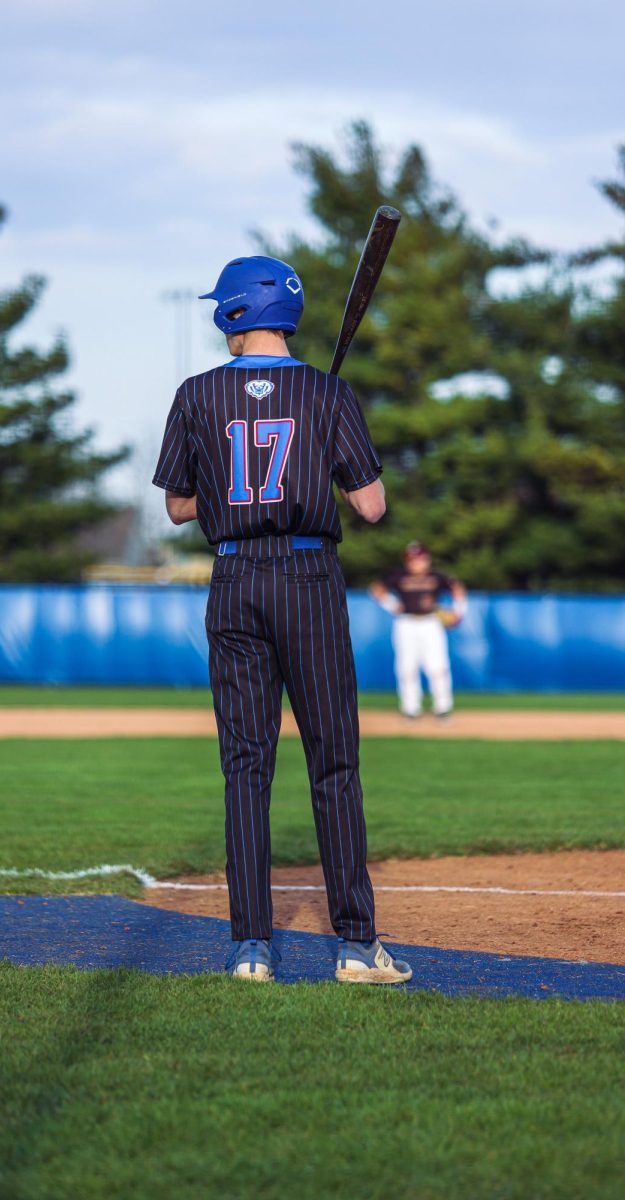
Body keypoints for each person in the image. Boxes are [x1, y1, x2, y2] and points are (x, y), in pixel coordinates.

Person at [152, 254, 412, 986]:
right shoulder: (327, 392)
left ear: (233, 313)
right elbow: (370, 506)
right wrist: (320, 460)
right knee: (332, 762)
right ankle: (357, 947)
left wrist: (235, 497)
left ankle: (249, 950)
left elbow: (175, 506)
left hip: (233, 577)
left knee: (245, 765)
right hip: (306, 578)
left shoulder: (196, 394)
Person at [370, 542, 467, 719]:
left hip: (431, 622)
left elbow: (457, 589)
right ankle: (410, 709)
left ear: (427, 559)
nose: (416, 562)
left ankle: (443, 708)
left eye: (419, 558)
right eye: (412, 559)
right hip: (406, 622)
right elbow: (377, 589)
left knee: (438, 666)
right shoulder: (399, 575)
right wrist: (392, 604)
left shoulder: (437, 576)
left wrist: (458, 612)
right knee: (406, 667)